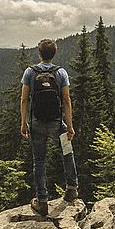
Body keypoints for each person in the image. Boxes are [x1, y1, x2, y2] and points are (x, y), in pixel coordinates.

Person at [20, 38, 79, 215]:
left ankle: (42, 201)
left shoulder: (30, 72)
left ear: (39, 53)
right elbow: (66, 100)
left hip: (37, 123)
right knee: (67, 152)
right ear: (54, 53)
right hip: (56, 123)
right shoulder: (61, 73)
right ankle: (71, 188)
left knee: (39, 161)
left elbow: (24, 99)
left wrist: (24, 123)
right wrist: (69, 126)